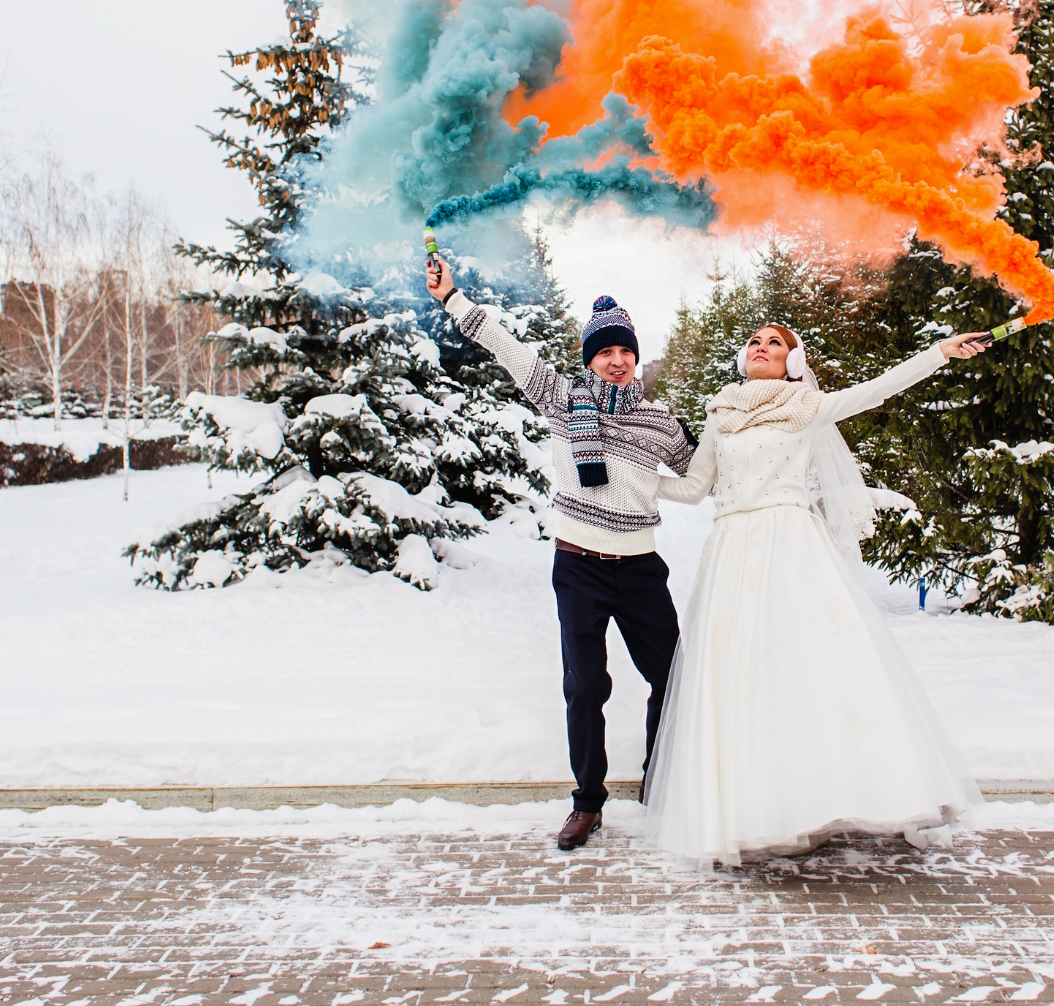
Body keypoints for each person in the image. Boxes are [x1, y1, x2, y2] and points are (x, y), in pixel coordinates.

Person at [647, 320, 994, 866]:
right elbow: (694, 487)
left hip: (789, 546)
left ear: (792, 359)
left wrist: (939, 354)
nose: (762, 348)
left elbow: (879, 387)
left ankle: (835, 794)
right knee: (738, 676)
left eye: (775, 343)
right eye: (755, 342)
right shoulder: (722, 413)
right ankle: (752, 810)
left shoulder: (808, 406)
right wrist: (632, 480)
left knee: (806, 667)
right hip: (733, 550)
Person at [425, 254, 698, 851]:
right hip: (578, 567)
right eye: (605, 352)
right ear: (590, 358)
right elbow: (509, 348)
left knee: (673, 679)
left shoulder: (659, 419)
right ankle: (588, 803)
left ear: (635, 357)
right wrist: (452, 299)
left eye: (626, 351)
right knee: (585, 687)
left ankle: (664, 776)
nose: (617, 361)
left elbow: (705, 472)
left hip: (642, 570)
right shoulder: (562, 398)